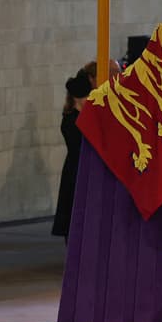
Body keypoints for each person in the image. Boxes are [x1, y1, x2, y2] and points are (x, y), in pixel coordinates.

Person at [53, 67, 94, 239]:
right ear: (78, 98)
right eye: (87, 96)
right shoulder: (71, 120)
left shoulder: (81, 117)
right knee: (73, 209)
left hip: (83, 165)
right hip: (76, 167)